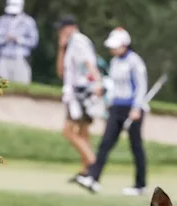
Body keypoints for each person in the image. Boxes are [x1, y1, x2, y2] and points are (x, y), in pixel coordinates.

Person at [78, 28, 149, 195]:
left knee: (136, 146)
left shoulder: (134, 61)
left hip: (132, 108)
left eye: (116, 46)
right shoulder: (115, 62)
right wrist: (108, 102)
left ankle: (140, 185)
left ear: (125, 45)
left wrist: (136, 107)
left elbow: (141, 86)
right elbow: (114, 85)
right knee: (105, 143)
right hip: (116, 107)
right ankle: (93, 178)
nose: (112, 49)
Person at [56, 16, 103, 186]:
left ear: (72, 27)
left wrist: (97, 83)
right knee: (83, 132)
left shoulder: (78, 40)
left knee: (68, 131)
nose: (61, 31)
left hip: (81, 93)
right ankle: (85, 171)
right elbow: (61, 72)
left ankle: (93, 164)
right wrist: (61, 48)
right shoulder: (70, 45)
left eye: (64, 28)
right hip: (78, 92)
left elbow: (89, 63)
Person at [0, 0, 38, 83]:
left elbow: (34, 41)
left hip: (21, 58)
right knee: (1, 84)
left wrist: (19, 39)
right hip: (3, 57)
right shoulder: (2, 20)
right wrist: (6, 39)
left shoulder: (28, 21)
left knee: (21, 84)